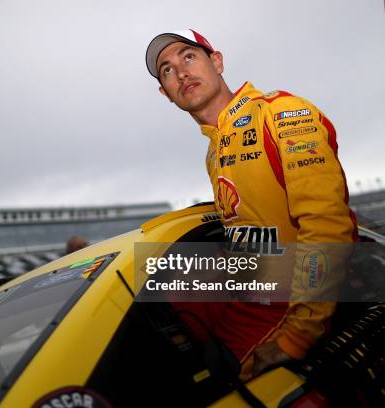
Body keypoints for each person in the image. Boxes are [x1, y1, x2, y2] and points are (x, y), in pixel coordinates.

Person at [145, 29, 357, 379]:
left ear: (217, 61)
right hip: (250, 304)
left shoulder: (281, 111)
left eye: (188, 56)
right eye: (166, 70)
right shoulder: (213, 152)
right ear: (165, 93)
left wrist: (297, 337)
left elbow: (327, 224)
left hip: (292, 309)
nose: (180, 72)